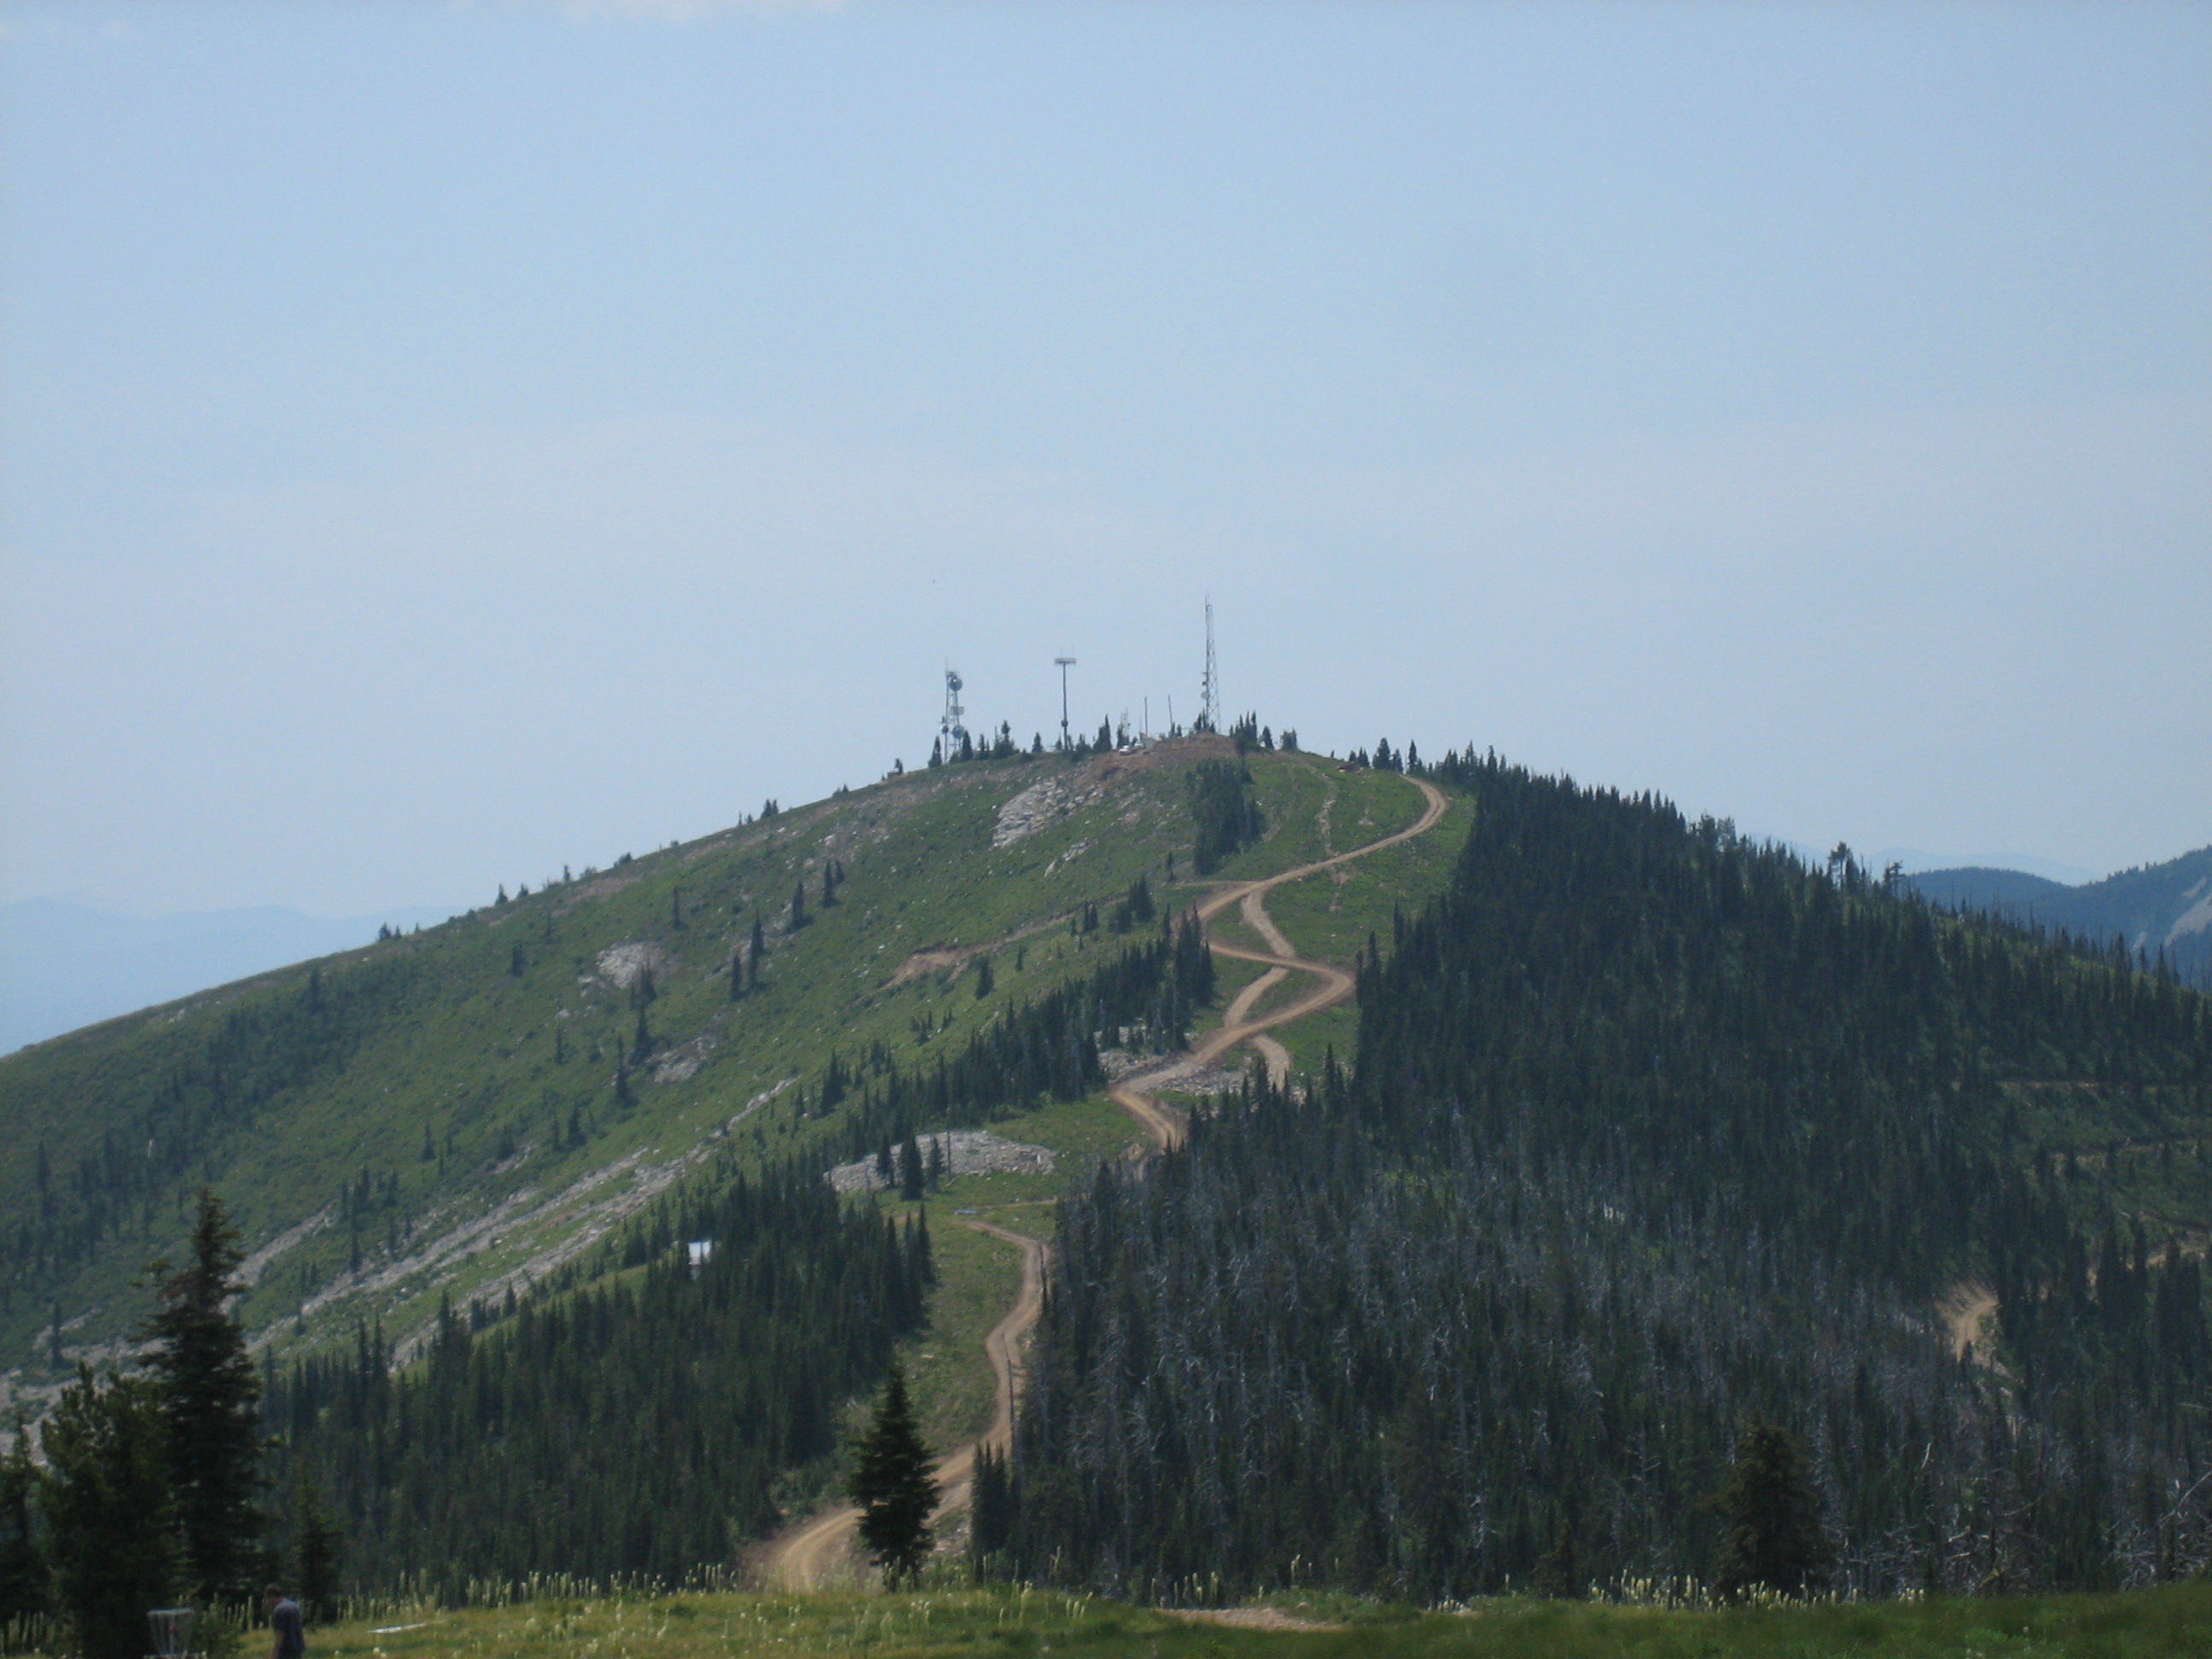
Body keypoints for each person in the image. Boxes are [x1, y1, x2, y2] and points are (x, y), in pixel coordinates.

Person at [266, 1585, 306, 1659]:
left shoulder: (280, 1610)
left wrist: (275, 1653)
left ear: (272, 1597)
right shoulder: (294, 1606)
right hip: (298, 1648)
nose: (267, 1602)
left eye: (267, 1598)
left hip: (286, 1651)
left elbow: (280, 1634)